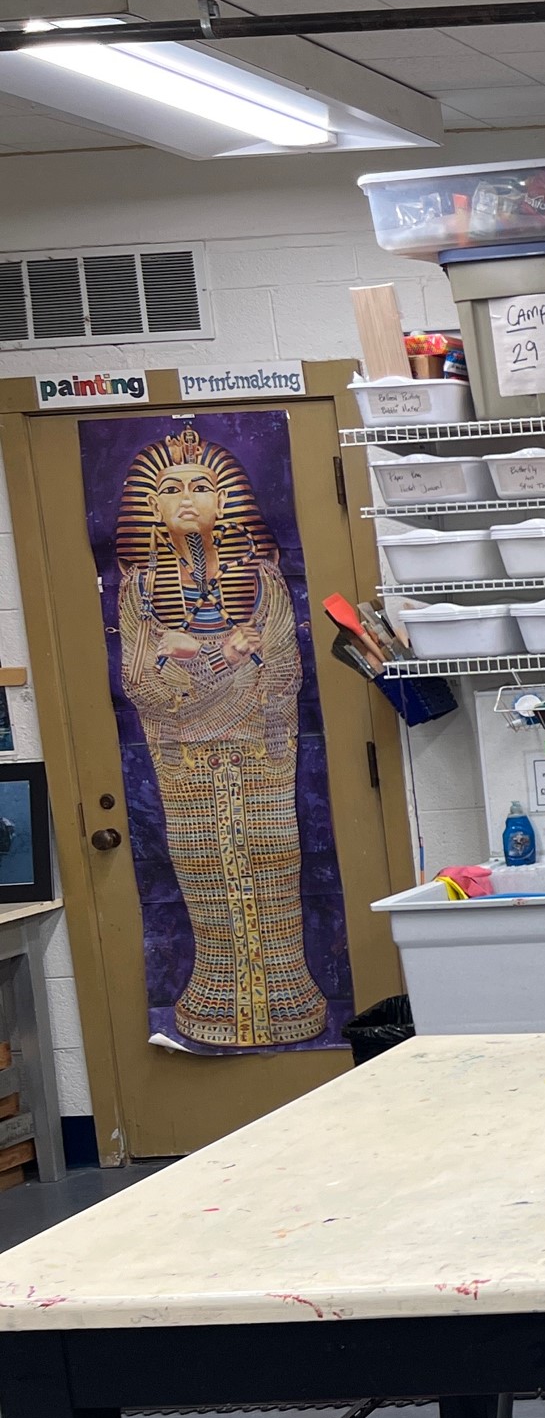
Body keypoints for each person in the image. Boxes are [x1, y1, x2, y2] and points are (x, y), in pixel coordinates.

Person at [111, 425, 325, 1047]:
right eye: (170, 488)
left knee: (276, 858)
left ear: (223, 503)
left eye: (200, 486)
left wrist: (207, 658)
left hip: (260, 751)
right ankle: (214, 994)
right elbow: (137, 679)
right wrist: (218, 659)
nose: (185, 497)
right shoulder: (139, 589)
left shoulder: (262, 579)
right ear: (151, 508)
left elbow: (284, 669)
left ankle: (288, 992)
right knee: (202, 866)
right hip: (186, 761)